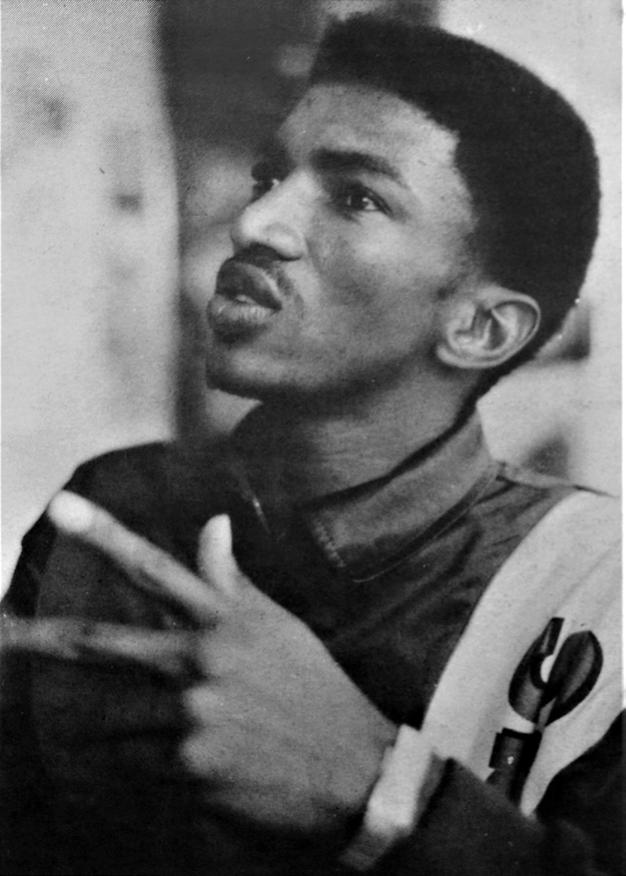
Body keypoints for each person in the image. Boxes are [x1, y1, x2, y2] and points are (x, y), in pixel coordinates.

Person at [1, 13, 621, 876]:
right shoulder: (117, 510)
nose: (256, 223)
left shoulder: (602, 586)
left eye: (356, 197)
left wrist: (378, 787)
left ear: (480, 327)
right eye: (269, 175)